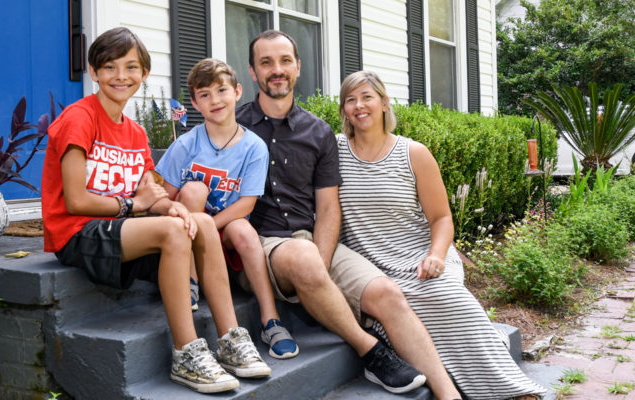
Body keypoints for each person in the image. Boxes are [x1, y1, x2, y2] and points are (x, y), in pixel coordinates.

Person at [41, 27, 270, 394]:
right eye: (110, 66)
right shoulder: (79, 118)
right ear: (94, 71)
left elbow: (151, 193)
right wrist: (136, 205)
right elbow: (76, 202)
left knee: (201, 224)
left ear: (144, 74)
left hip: (120, 231)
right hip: (77, 233)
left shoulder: (134, 132)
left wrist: (172, 208)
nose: (121, 76)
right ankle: (186, 354)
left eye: (131, 67)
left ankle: (231, 340)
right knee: (173, 230)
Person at [236, 30, 460, 397]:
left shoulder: (318, 131)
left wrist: (320, 269)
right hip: (261, 247)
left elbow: (327, 207)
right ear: (253, 71)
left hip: (312, 242)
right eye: (266, 62)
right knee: (304, 258)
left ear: (298, 67)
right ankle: (371, 352)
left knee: (387, 293)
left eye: (285, 61)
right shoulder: (234, 125)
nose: (276, 70)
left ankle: (447, 393)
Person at [336, 70, 546, 399]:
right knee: (398, 308)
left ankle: (512, 390)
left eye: (367, 97)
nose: (359, 106)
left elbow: (442, 217)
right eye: (351, 100)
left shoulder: (413, 153)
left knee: (449, 299)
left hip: (423, 254)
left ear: (384, 103)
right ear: (343, 109)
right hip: (374, 265)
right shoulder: (334, 152)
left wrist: (435, 255)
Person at [156, 58, 299, 359]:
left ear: (236, 92)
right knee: (193, 190)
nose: (215, 100)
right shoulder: (185, 144)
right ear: (194, 102)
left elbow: (246, 204)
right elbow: (163, 197)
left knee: (246, 232)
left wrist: (209, 225)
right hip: (188, 237)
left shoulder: (254, 147)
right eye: (204, 94)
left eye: (221, 90)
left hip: (227, 230)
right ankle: (190, 281)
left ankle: (270, 320)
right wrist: (179, 210)